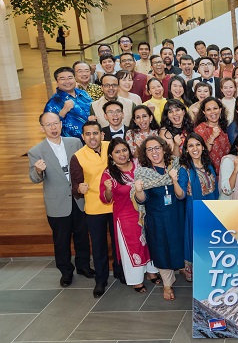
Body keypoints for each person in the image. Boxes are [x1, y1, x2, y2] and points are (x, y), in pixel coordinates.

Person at [28, 113, 94, 288]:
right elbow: (34, 178)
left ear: (61, 123)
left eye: (56, 123)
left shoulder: (75, 142)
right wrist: (38, 171)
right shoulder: (36, 151)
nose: (53, 127)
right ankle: (65, 272)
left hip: (78, 198)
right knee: (61, 240)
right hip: (57, 202)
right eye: (48, 125)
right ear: (42, 128)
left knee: (82, 235)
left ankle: (83, 266)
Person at [70, 121, 122, 298]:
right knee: (99, 246)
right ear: (83, 137)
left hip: (117, 204)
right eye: (88, 134)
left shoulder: (112, 147)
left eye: (95, 133)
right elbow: (75, 184)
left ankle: (121, 271)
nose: (92, 137)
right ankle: (101, 279)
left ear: (102, 134)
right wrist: (79, 188)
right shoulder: (78, 157)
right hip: (94, 207)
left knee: (119, 242)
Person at [100, 138, 160, 293]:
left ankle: (152, 271)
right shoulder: (109, 174)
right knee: (134, 247)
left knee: (150, 242)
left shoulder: (139, 164)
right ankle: (136, 280)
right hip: (126, 216)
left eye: (124, 150)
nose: (122, 154)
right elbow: (106, 199)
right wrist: (108, 189)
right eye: (117, 152)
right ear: (111, 155)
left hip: (146, 211)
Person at [131, 136, 185, 301]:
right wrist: (138, 190)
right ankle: (167, 284)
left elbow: (182, 194)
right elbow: (141, 200)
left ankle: (188, 271)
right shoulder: (143, 173)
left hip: (177, 215)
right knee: (161, 250)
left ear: (164, 149)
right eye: (149, 149)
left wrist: (174, 180)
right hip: (156, 219)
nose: (154, 152)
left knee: (181, 245)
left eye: (157, 148)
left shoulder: (175, 165)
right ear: (145, 154)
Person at [178, 133, 218, 282]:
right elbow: (181, 195)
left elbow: (215, 190)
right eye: (190, 146)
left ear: (203, 147)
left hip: (212, 210)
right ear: (186, 150)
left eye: (197, 145)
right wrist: (174, 181)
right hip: (196, 212)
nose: (195, 148)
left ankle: (212, 275)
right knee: (199, 244)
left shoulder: (209, 165)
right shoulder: (185, 169)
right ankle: (201, 278)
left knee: (211, 243)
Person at [44, 67, 93, 138]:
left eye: (70, 78)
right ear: (57, 82)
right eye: (62, 79)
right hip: (70, 141)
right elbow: (48, 126)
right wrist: (63, 112)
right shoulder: (53, 102)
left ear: (75, 79)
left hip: (91, 138)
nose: (67, 81)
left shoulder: (83, 94)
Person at [194, 97, 231, 174]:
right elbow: (201, 152)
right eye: (208, 109)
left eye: (215, 108)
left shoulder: (224, 126)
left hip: (226, 170)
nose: (212, 112)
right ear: (204, 112)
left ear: (220, 110)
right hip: (209, 172)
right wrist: (212, 137)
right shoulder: (200, 129)